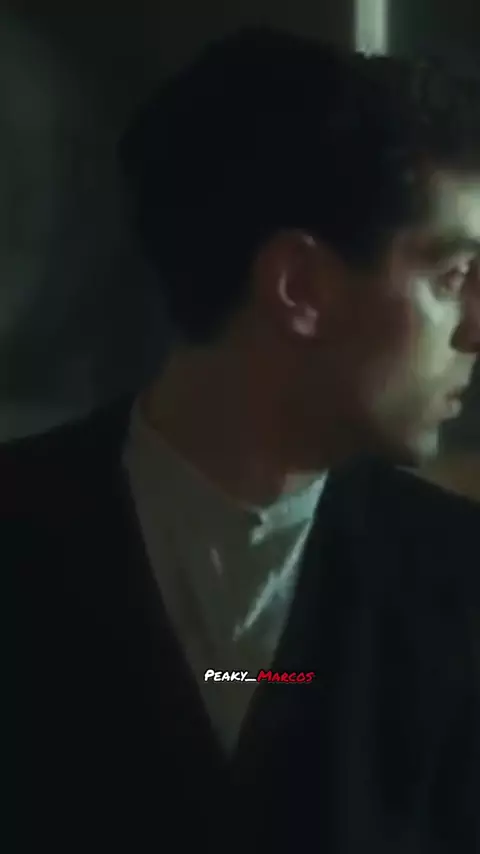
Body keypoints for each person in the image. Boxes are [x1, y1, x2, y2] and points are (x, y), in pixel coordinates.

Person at [5, 27, 480, 853]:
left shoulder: (458, 582)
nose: (474, 330)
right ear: (300, 286)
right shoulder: (20, 533)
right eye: (452, 278)